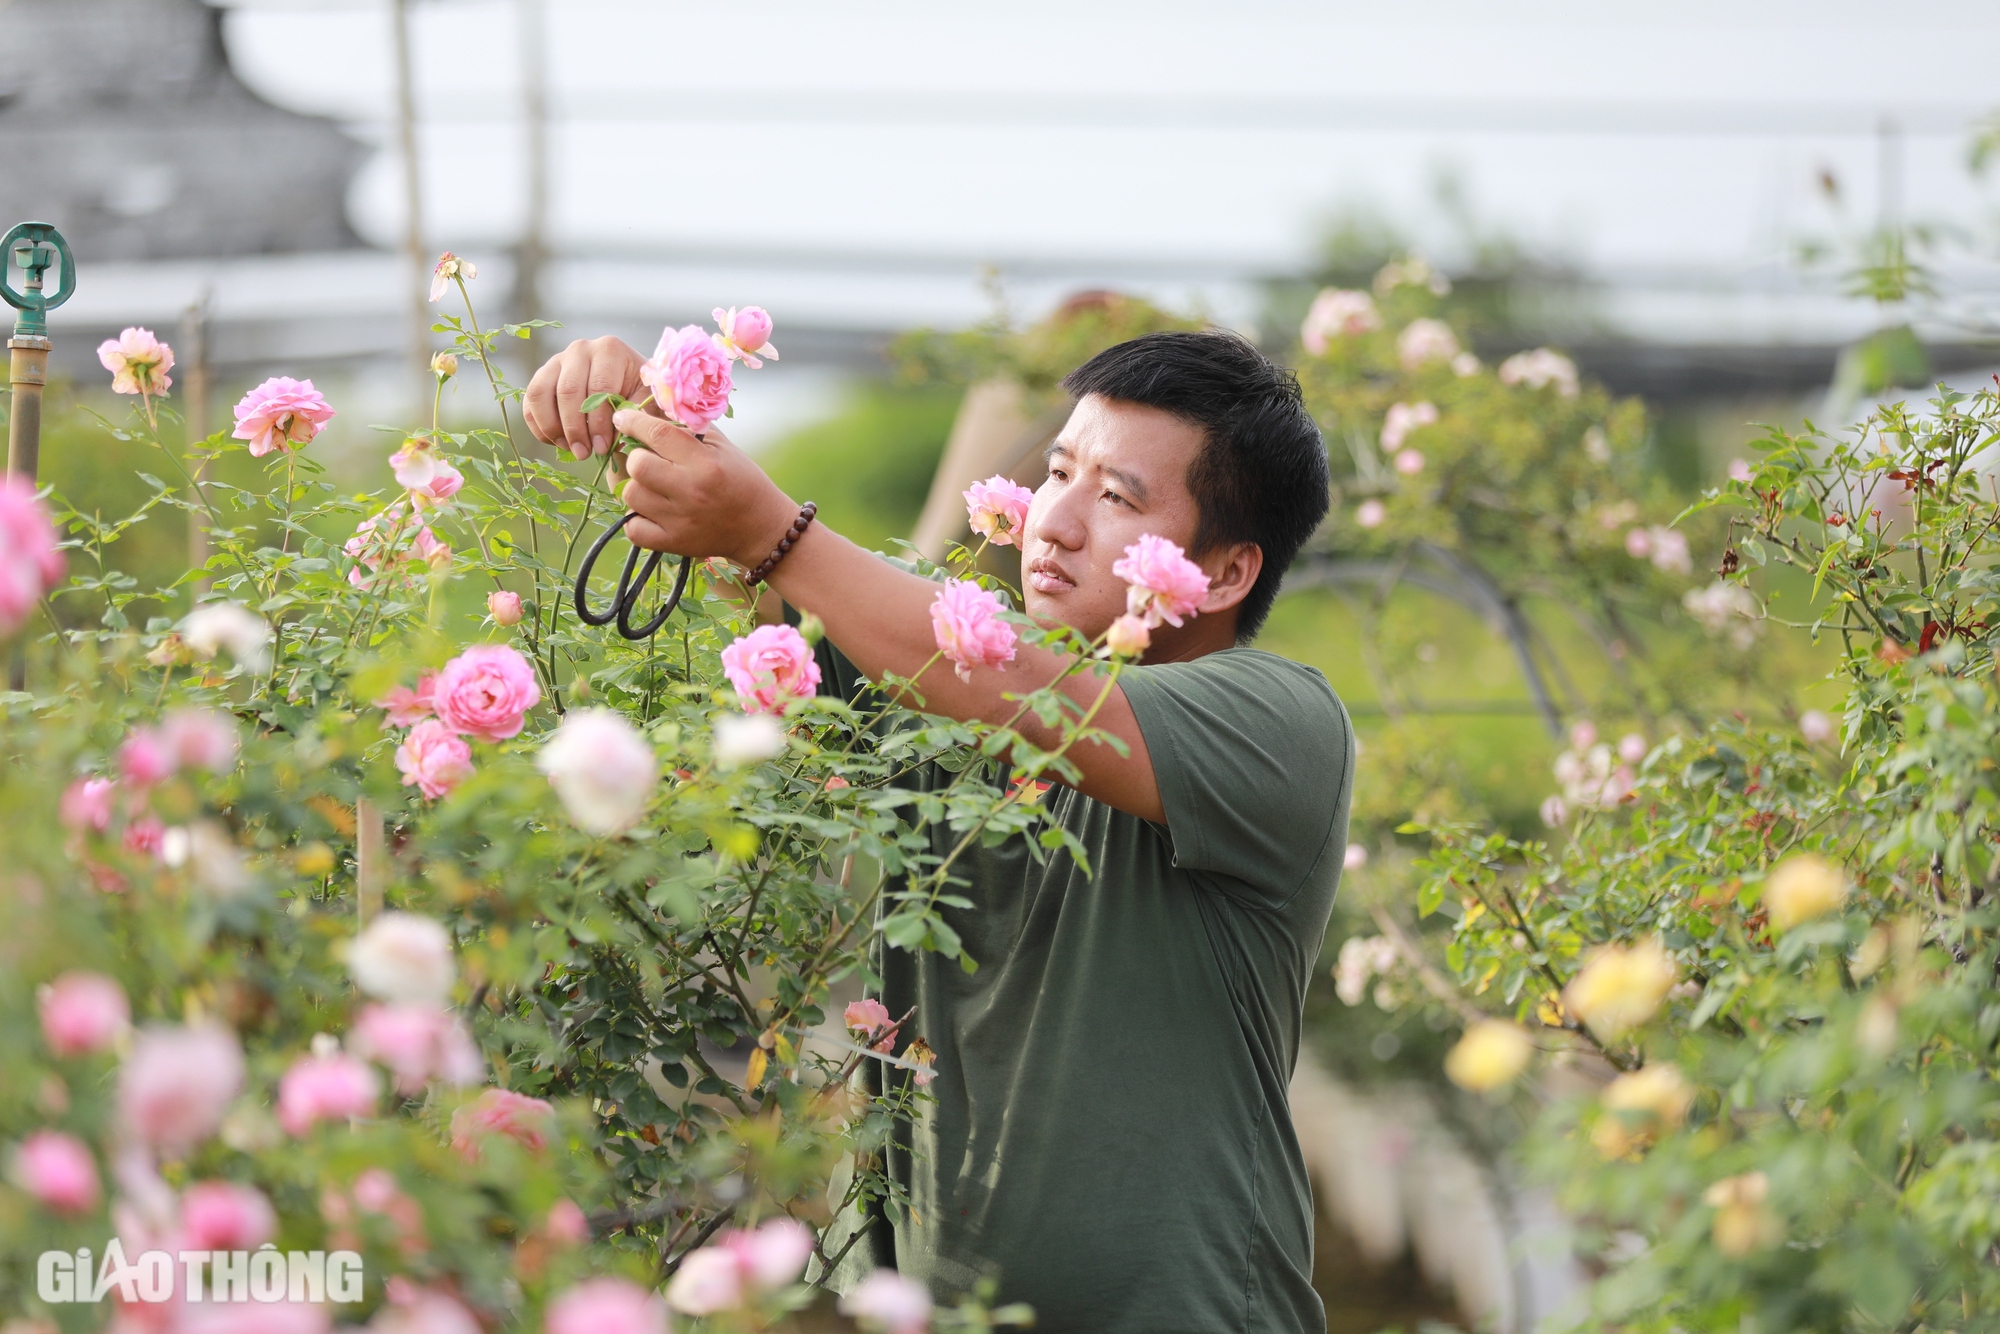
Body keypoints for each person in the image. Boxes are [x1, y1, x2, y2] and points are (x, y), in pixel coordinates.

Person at [525, 329, 1354, 1334]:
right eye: (1057, 471)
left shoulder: (1279, 721)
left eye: (1116, 498)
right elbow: (785, 606)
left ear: (1224, 574)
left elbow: (993, 670)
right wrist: (640, 418)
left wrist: (769, 529)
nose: (1053, 521)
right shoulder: (934, 680)